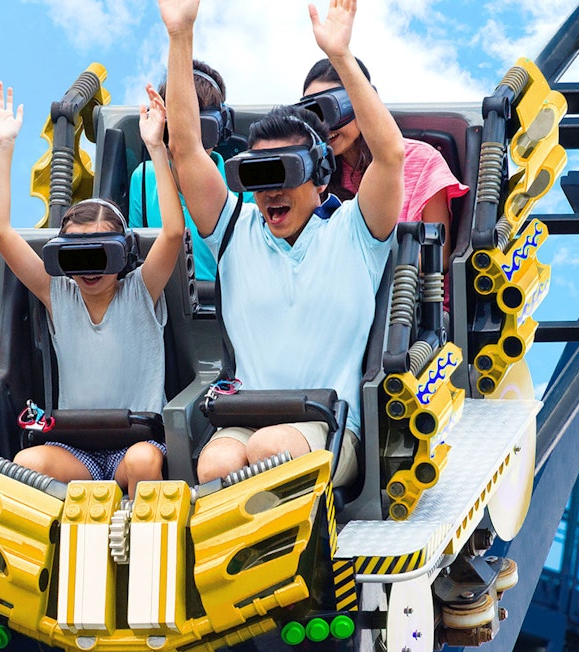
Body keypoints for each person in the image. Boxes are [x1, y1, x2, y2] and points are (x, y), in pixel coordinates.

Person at [161, 0, 404, 484]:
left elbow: (391, 155)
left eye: (285, 171)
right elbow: (185, 149)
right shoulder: (235, 231)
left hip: (327, 426)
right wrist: (180, 35)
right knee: (215, 464)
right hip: (243, 419)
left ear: (320, 182)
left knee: (274, 451)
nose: (271, 190)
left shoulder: (355, 232)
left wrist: (341, 56)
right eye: (259, 174)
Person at [0, 81, 185, 498]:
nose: (90, 269)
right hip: (76, 450)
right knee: (26, 465)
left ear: (124, 255)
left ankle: (137, 536)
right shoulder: (59, 295)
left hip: (138, 444)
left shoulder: (140, 291)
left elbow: (173, 233)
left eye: (102, 254)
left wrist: (157, 150)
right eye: (78, 256)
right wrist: (3, 148)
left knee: (145, 463)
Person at [302, 57, 468, 267]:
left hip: (406, 295)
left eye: (332, 111)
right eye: (313, 115)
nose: (325, 127)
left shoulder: (422, 160)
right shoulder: (311, 174)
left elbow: (437, 259)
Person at [128, 60, 252, 283]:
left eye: (200, 129)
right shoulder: (142, 178)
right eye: (176, 127)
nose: (186, 142)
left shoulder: (243, 183)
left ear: (220, 129)